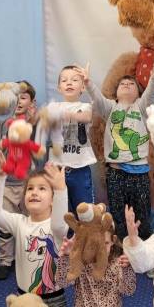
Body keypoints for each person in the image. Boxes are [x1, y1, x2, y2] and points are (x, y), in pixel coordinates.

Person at [84, 53, 154, 243]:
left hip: (140, 172)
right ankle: (120, 247)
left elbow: (152, 92)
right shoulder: (110, 108)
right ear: (116, 93)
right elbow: (97, 98)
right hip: (115, 172)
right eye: (123, 83)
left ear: (138, 93)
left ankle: (143, 247)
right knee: (118, 215)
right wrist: (88, 82)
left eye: (131, 84)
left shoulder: (142, 107)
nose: (127, 85)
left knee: (142, 215)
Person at [0, 162, 70, 307]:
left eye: (42, 188)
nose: (34, 192)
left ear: (52, 199)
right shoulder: (19, 223)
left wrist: (61, 189)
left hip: (54, 304)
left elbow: (60, 224)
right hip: (24, 301)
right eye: (30, 188)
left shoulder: (56, 226)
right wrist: (0, 177)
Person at [0, 80, 38, 281]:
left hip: (28, 184)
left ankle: (31, 258)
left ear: (32, 102)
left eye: (23, 97)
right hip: (6, 184)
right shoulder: (2, 124)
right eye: (15, 97)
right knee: (4, 226)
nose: (19, 101)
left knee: (30, 223)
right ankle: (5, 261)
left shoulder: (35, 124)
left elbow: (40, 149)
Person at [55, 65, 96, 212]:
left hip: (80, 169)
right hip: (58, 169)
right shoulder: (54, 106)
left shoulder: (85, 107)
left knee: (85, 212)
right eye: (64, 80)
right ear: (59, 88)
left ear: (83, 87)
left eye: (74, 80)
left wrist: (70, 115)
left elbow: (87, 117)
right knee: (62, 213)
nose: (69, 83)